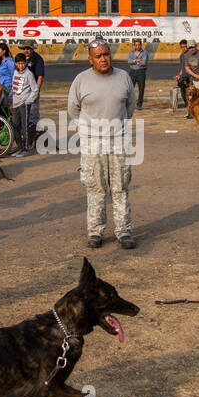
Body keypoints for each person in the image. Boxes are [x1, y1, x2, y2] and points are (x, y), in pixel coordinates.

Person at [67, 37, 137, 249]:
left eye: (106, 54)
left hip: (118, 140)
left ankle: (123, 231)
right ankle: (95, 231)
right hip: (92, 143)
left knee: (120, 187)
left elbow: (130, 106)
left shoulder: (123, 76)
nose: (104, 59)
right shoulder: (81, 80)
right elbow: (73, 109)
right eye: (98, 56)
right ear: (91, 59)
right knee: (95, 187)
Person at [10, 53, 40, 155]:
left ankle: (26, 149)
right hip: (15, 103)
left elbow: (35, 90)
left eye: (23, 63)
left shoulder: (29, 74)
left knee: (24, 126)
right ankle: (20, 146)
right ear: (15, 63)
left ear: (26, 63)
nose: (21, 66)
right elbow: (13, 87)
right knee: (14, 125)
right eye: (19, 63)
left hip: (24, 104)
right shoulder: (15, 72)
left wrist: (29, 101)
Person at [126, 38, 149, 108]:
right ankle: (130, 104)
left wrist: (134, 62)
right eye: (136, 45)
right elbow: (129, 61)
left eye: (139, 45)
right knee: (130, 89)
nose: (137, 46)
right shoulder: (131, 52)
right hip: (132, 72)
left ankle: (139, 104)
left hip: (141, 72)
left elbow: (143, 63)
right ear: (134, 45)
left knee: (141, 89)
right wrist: (136, 60)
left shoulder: (145, 53)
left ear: (141, 45)